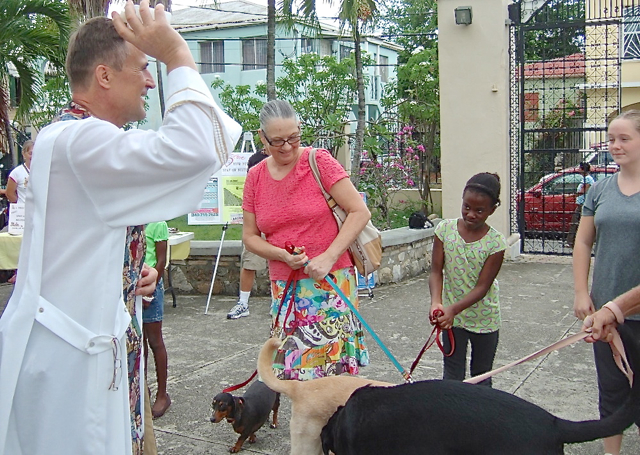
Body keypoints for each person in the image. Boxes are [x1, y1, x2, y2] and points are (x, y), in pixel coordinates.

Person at [0, 2, 242, 454]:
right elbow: (193, 151)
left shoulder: (66, 135)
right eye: (144, 68)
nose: (151, 81)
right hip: (74, 362)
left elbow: (85, 237)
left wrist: (127, 275)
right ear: (105, 76)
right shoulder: (83, 140)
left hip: (79, 343)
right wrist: (176, 53)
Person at [242, 99, 370, 380]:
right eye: (277, 141)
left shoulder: (318, 160)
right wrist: (281, 255)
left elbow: (359, 211)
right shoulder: (255, 177)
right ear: (262, 137)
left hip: (330, 281)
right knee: (295, 374)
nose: (287, 147)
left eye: (294, 138)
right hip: (285, 286)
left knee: (332, 373)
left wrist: (329, 255)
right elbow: (250, 237)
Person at [573, 109, 640, 455]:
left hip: (635, 312)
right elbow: (583, 242)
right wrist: (583, 292)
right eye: (611, 139)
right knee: (612, 392)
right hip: (604, 314)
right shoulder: (599, 190)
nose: (615, 145)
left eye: (624, 138)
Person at [429, 172, 507, 387]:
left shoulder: (495, 243)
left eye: (479, 210)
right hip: (451, 319)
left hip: (484, 319)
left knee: (481, 376)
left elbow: (483, 287)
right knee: (452, 375)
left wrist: (453, 309)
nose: (471, 214)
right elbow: (436, 271)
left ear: (492, 210)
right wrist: (437, 302)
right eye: (466, 207)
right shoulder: (444, 231)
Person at [227, 148, 269, 319]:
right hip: (258, 224)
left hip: (281, 222)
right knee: (249, 262)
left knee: (283, 263)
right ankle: (243, 303)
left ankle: (279, 302)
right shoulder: (256, 162)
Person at [142, 221, 171, 419]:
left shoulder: (158, 223)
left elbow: (161, 261)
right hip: (133, 286)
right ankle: (143, 390)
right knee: (138, 343)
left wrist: (149, 292)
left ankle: (162, 394)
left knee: (154, 341)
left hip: (151, 287)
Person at [566, 162, 595, 248]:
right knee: (577, 223)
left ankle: (572, 242)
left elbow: (584, 190)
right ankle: (572, 241)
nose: (578, 169)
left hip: (583, 204)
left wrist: (572, 195)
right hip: (581, 203)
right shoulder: (585, 178)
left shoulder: (588, 179)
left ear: (583, 169)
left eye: (579, 168)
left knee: (576, 223)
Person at [5, 140, 34, 204]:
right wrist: (20, 203)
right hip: (23, 212)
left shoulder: (43, 171)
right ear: (23, 154)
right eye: (30, 153)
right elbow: (9, 194)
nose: (33, 156)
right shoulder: (16, 173)